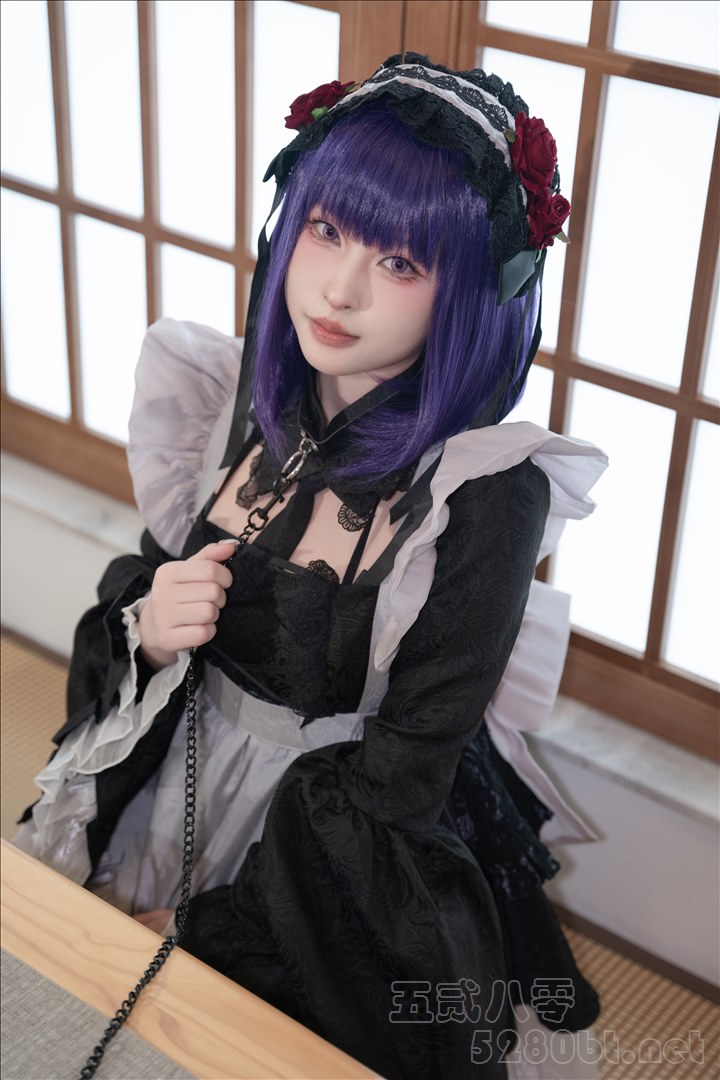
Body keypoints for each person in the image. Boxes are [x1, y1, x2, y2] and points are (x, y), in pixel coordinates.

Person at [16, 54, 608, 1079]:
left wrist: (208, 933)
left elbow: (399, 784)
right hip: (178, 781)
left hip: (345, 857)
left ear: (473, 292)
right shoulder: (232, 397)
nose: (339, 289)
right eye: (327, 230)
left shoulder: (483, 496)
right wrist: (150, 629)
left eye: (402, 262)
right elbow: (138, 601)